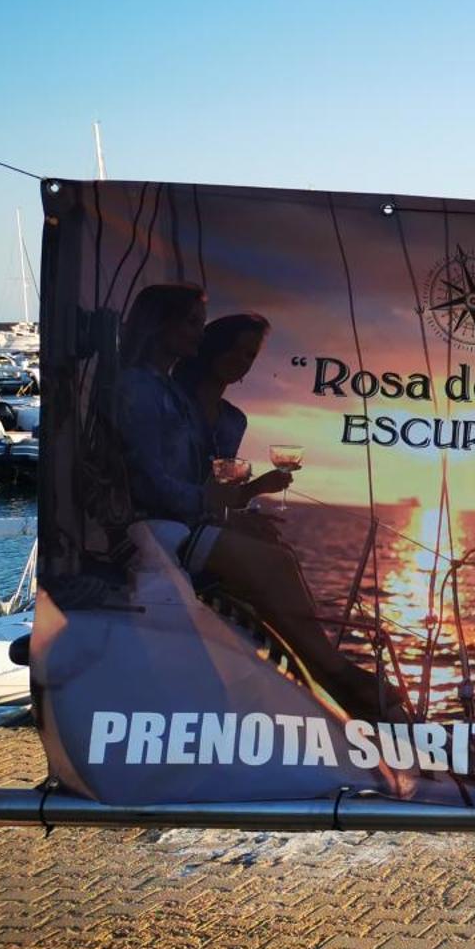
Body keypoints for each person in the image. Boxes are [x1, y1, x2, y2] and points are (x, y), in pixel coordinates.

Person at [113, 283, 401, 722]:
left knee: (278, 554)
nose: (198, 334)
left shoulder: (175, 397)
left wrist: (237, 508)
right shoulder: (141, 389)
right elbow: (149, 484)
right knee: (273, 565)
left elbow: (193, 484)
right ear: (160, 325)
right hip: (153, 530)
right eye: (193, 324)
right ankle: (336, 673)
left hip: (183, 521)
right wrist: (226, 507)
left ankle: (328, 671)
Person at [175, 311, 270, 461]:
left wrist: (257, 485)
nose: (240, 359)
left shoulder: (235, 420)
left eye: (250, 355)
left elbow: (220, 481)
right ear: (214, 345)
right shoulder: (171, 401)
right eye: (233, 347)